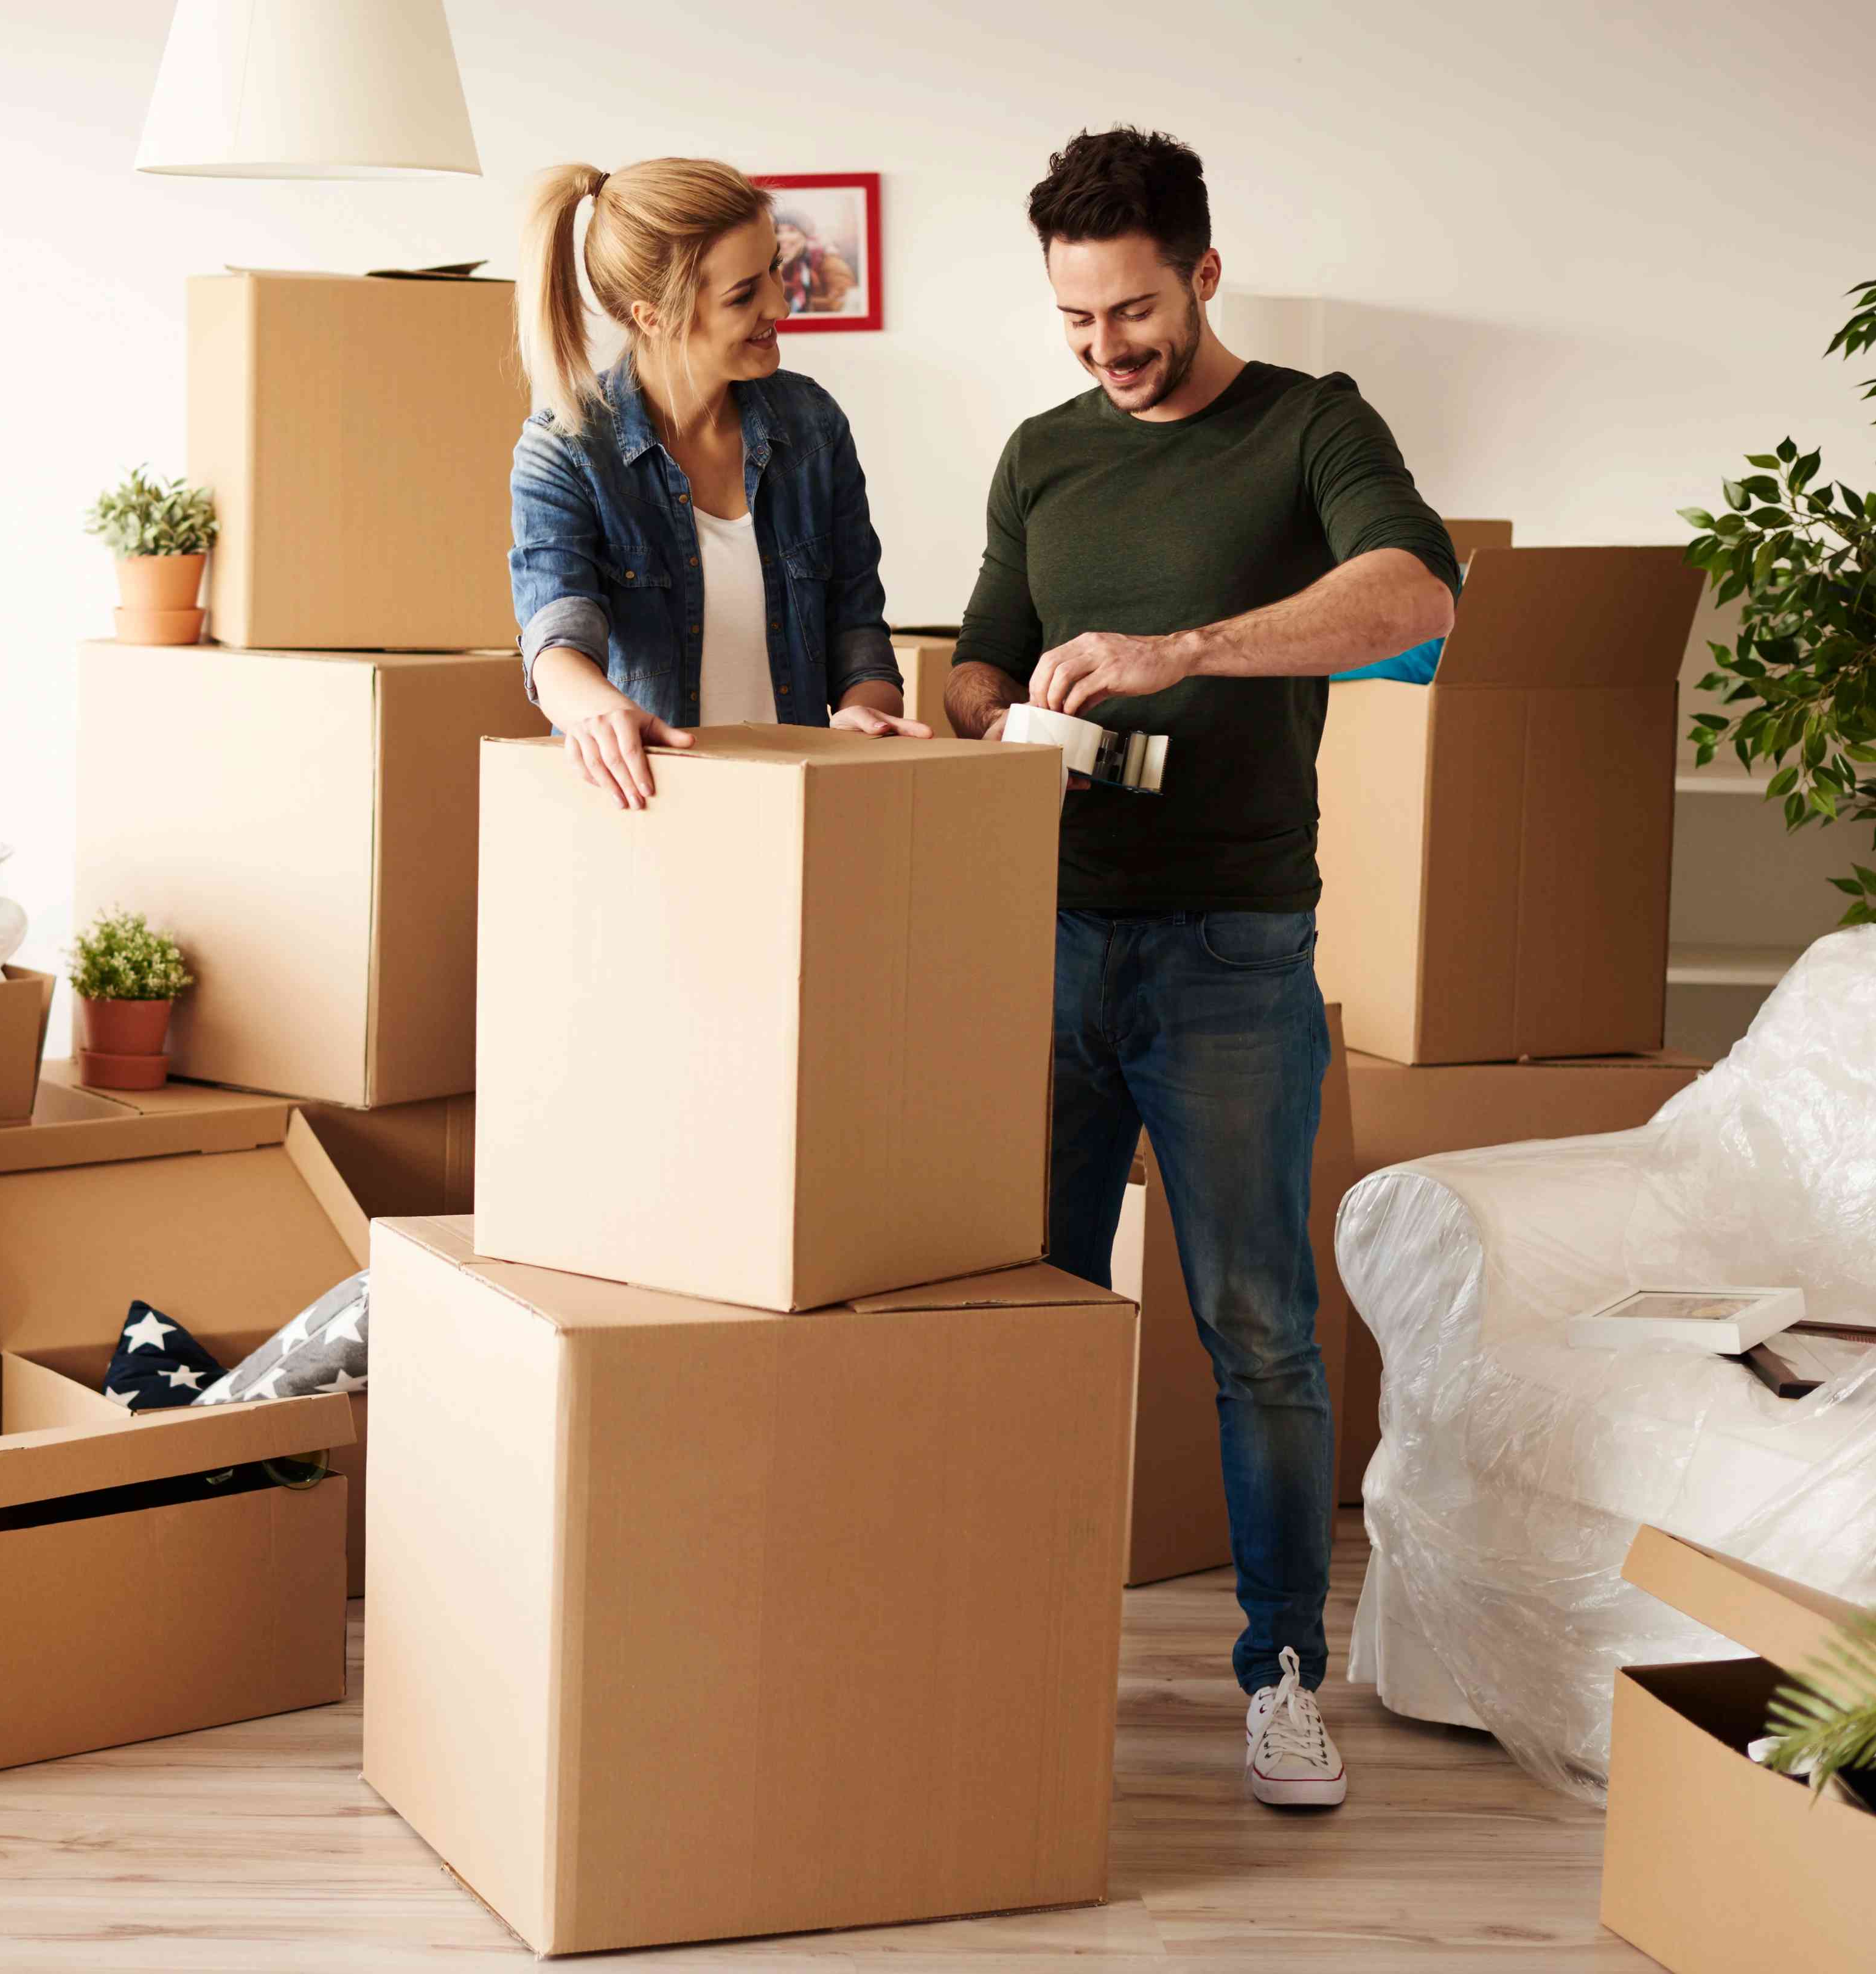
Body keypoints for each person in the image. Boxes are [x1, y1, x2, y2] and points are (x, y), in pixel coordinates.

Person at [943, 128, 1459, 1810]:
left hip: (1235, 956)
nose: (1107, 348)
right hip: (1049, 938)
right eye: (1079, 319)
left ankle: (1282, 1678)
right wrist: (970, 708)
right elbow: (980, 651)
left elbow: (1416, 598)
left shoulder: (1310, 423)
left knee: (1255, 1325)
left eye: (1135, 311)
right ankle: (997, 1646)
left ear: (1204, 271)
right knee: (1021, 1308)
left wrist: (1183, 649)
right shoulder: (1039, 455)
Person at [509, 157, 923, 810]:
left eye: (775, 270)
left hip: (802, 806)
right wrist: (599, 714)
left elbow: (857, 631)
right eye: (742, 294)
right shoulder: (565, 450)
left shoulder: (812, 425)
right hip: (647, 811)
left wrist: (860, 718)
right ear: (654, 318)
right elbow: (557, 633)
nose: (779, 305)